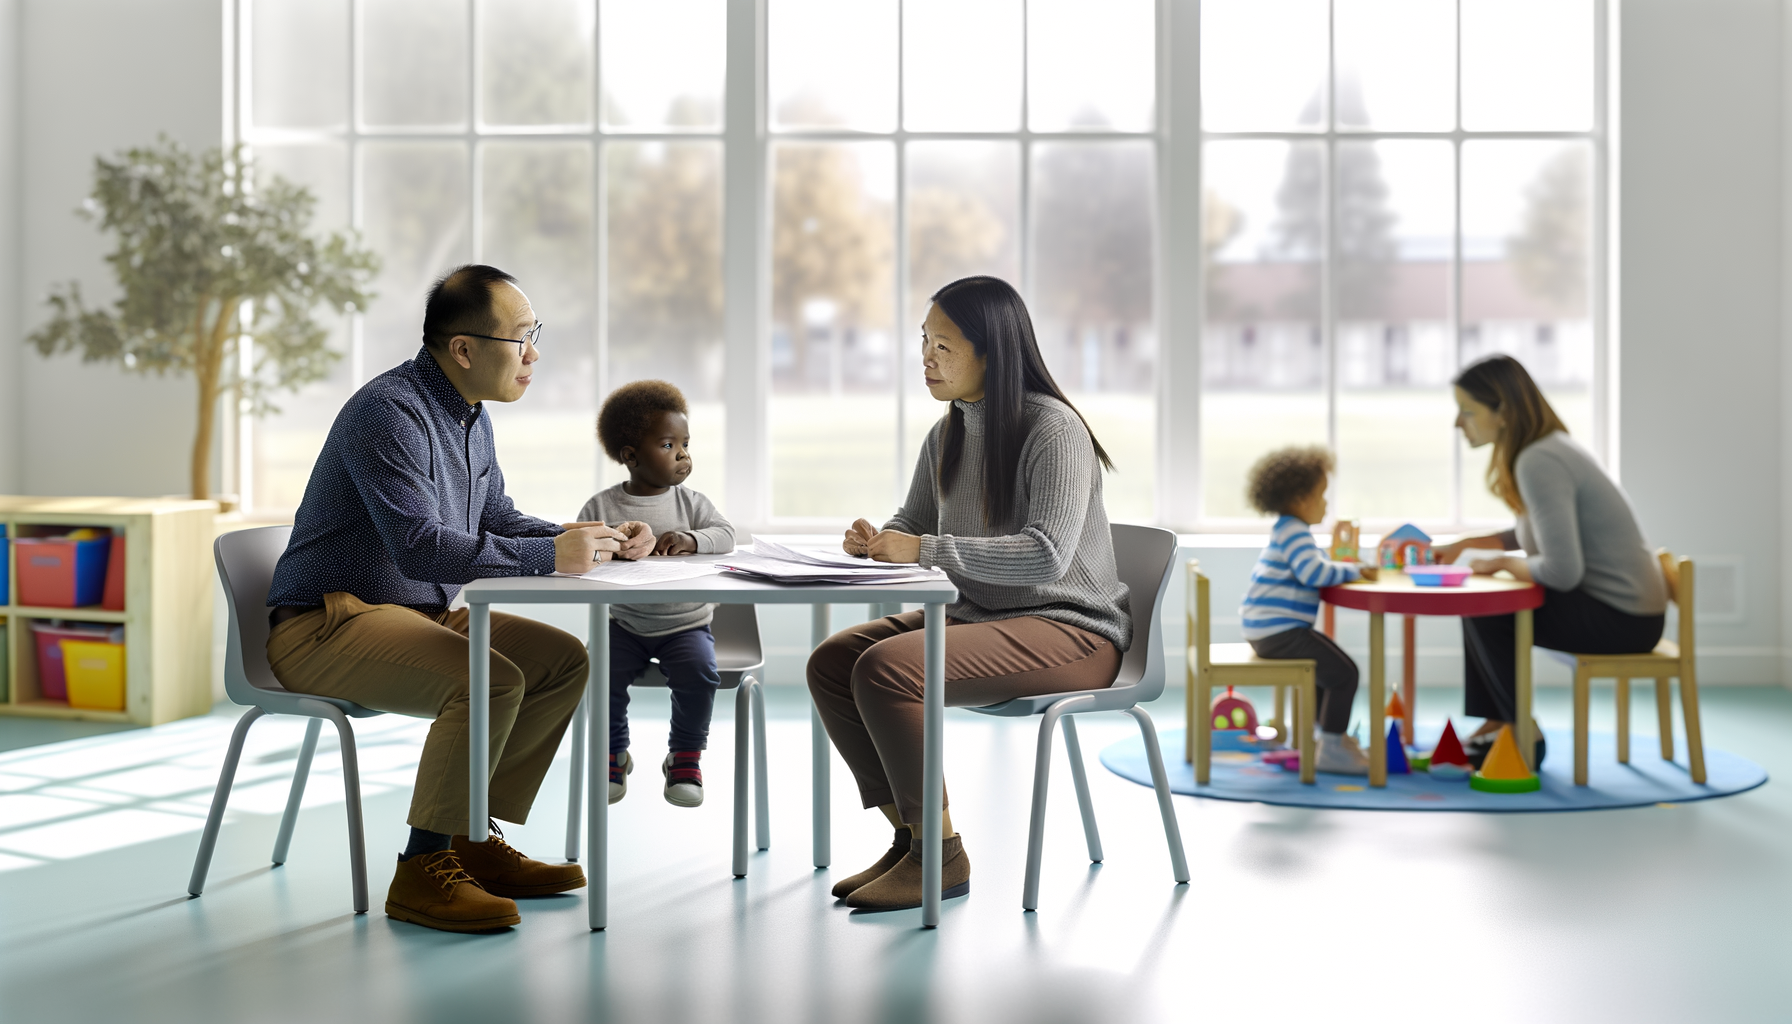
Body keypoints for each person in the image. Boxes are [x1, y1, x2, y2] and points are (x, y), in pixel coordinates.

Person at [265, 264, 656, 934]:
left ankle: (471, 838)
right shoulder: (386, 413)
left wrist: (585, 535)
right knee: (491, 682)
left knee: (562, 661)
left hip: (418, 614)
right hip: (328, 624)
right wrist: (548, 557)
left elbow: (494, 514)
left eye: (537, 335)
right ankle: (421, 870)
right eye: (521, 339)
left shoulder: (471, 413)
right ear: (465, 350)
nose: (534, 354)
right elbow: (420, 546)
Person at [807, 276, 1132, 912]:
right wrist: (880, 538)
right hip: (980, 617)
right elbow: (915, 521)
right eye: (923, 343)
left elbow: (1047, 554)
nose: (926, 358)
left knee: (885, 670)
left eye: (944, 346)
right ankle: (911, 838)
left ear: (992, 352)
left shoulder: (1053, 430)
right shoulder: (948, 431)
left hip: (1073, 629)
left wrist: (924, 550)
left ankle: (941, 856)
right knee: (832, 663)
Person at [1434, 355, 1667, 767]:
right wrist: (1478, 542)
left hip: (1622, 620)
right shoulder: (1545, 449)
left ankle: (1521, 733)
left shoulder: (1538, 461)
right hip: (1628, 612)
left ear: (1502, 411)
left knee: (1487, 607)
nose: (1457, 423)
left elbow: (1563, 570)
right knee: (1486, 602)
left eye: (1467, 411)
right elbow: (1545, 532)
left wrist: (1501, 563)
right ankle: (1498, 723)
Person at [578, 380, 735, 809]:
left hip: (686, 624)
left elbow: (726, 535)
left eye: (685, 443)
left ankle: (684, 756)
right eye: (668, 444)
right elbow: (580, 548)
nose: (683, 454)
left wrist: (691, 539)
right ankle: (614, 753)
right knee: (598, 670)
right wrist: (608, 548)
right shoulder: (601, 507)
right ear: (631, 456)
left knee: (700, 674)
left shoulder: (692, 505)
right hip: (624, 623)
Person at [1239, 445, 1379, 773]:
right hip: (1279, 632)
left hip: (1269, 630)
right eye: (1322, 495)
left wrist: (1341, 565)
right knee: (1346, 674)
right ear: (1302, 499)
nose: (1327, 504)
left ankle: (1324, 739)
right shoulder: (1295, 532)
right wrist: (1355, 569)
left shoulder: (1287, 530)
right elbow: (1313, 573)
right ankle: (1331, 747)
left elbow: (1312, 564)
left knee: (1327, 670)